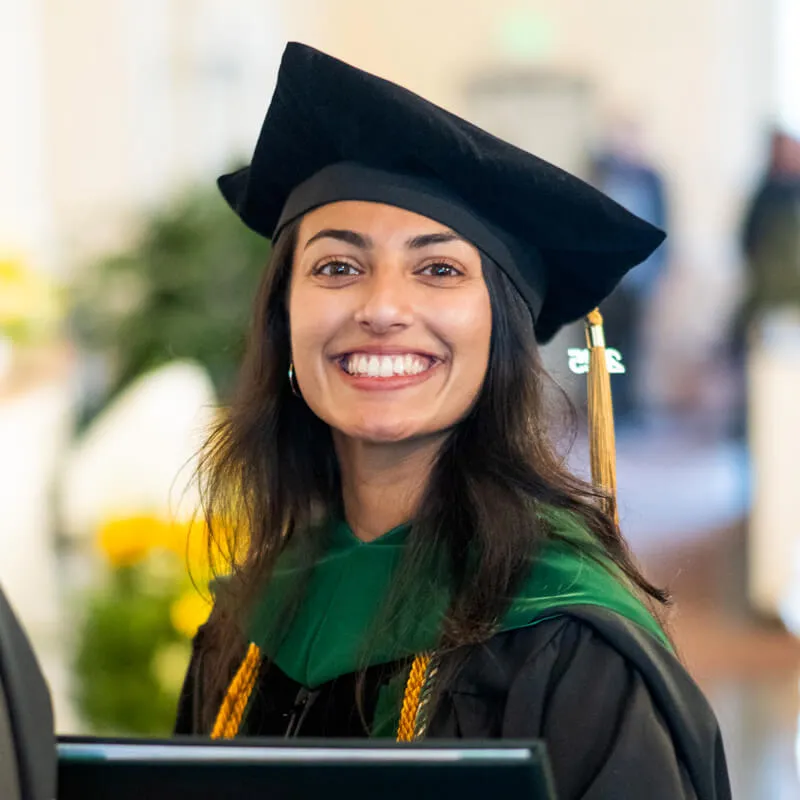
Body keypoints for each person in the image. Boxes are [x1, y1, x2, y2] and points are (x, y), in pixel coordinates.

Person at [174, 43, 731, 799]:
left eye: (438, 269)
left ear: (499, 332)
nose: (381, 309)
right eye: (337, 267)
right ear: (284, 316)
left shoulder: (568, 644)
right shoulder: (251, 614)